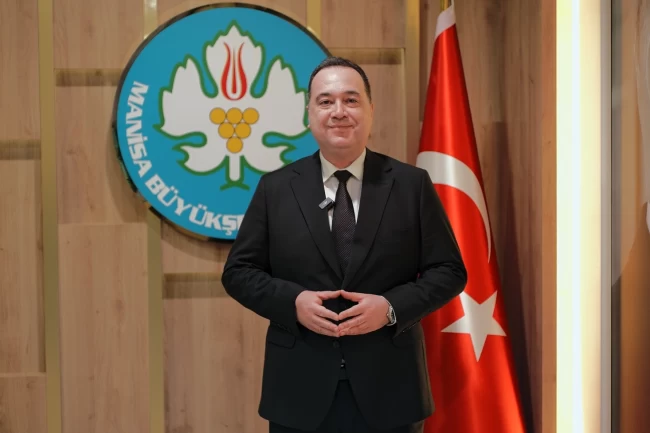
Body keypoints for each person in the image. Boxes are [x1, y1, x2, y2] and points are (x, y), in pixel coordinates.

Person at [221, 56, 467, 433]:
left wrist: (390, 308)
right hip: (298, 391)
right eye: (326, 101)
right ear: (309, 114)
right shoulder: (275, 188)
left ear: (370, 110)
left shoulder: (411, 185)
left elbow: (449, 271)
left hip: (391, 390)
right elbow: (239, 272)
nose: (339, 111)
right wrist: (293, 303)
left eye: (351, 100)